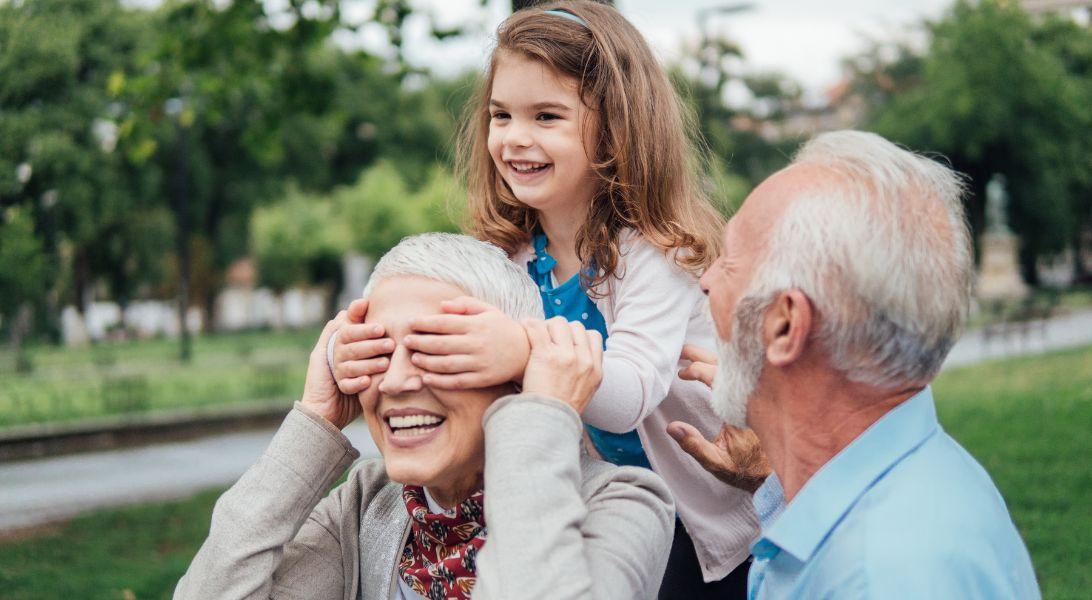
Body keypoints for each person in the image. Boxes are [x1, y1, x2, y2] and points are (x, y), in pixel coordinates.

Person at [332, 3, 758, 596]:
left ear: (616, 129)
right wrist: (349, 346)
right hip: (585, 503)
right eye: (501, 115)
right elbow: (431, 329)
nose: (515, 138)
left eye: (547, 116)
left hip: (696, 526)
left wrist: (520, 346)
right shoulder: (508, 256)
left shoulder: (657, 256)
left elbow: (628, 397)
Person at [175, 233, 675, 600]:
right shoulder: (367, 506)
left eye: (434, 351)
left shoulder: (623, 502)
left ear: (515, 369)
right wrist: (317, 416)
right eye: (377, 352)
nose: (394, 381)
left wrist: (540, 408)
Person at [669, 130, 1041, 598]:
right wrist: (770, 478)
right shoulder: (916, 484)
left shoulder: (877, 576)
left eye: (729, 262)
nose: (704, 282)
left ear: (785, 326)